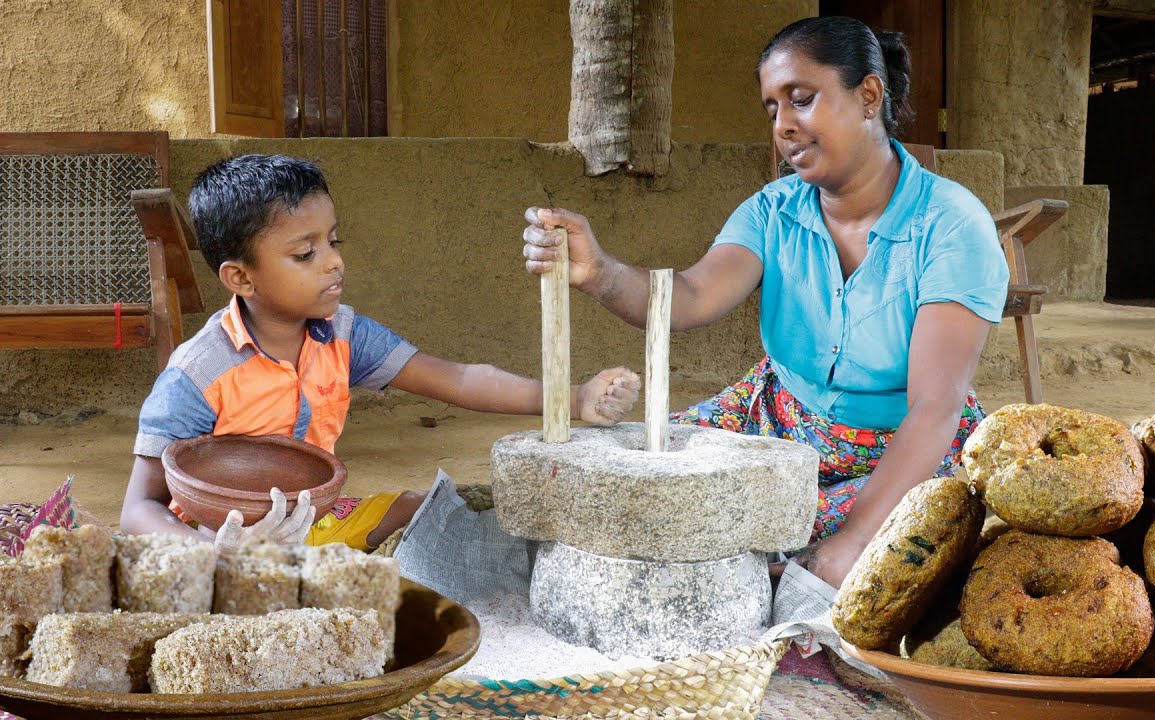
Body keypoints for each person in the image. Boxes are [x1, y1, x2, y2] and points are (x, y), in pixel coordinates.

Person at [520, 17, 1008, 589]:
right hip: (778, 413)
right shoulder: (773, 211)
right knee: (638, 480)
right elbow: (692, 295)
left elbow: (933, 408)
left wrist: (851, 541)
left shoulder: (951, 225)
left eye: (801, 100)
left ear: (869, 95)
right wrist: (599, 272)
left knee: (777, 545)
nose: (784, 126)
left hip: (902, 450)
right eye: (772, 110)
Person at [121, 154, 640, 552]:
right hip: (217, 543)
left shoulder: (342, 335)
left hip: (311, 526)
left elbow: (459, 380)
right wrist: (215, 558)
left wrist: (572, 399)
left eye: (333, 241)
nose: (334, 263)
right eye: (306, 253)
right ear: (240, 277)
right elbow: (138, 510)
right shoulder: (198, 373)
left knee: (417, 510)